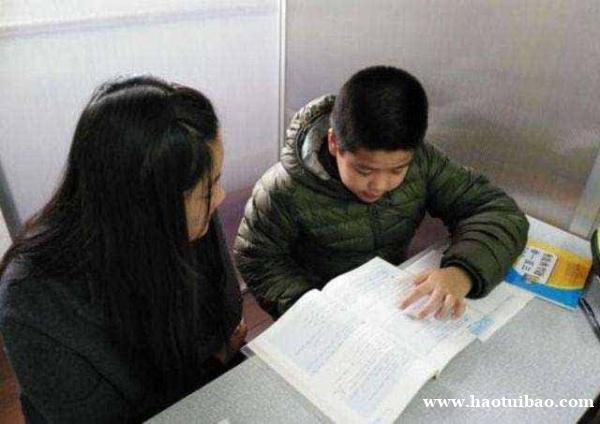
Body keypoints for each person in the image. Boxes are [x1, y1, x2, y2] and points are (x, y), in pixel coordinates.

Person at [0, 76, 247, 423]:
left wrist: (216, 359)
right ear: (146, 209)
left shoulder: (188, 220)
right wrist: (215, 362)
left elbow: (226, 316)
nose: (220, 197)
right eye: (208, 189)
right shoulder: (34, 301)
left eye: (216, 180)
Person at [235, 65, 528, 320]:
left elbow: (495, 210)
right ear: (334, 143)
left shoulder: (423, 162)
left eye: (397, 170)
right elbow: (257, 259)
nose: (380, 184)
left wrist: (461, 273)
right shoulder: (282, 189)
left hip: (390, 300)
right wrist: (311, 308)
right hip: (324, 305)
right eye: (364, 170)